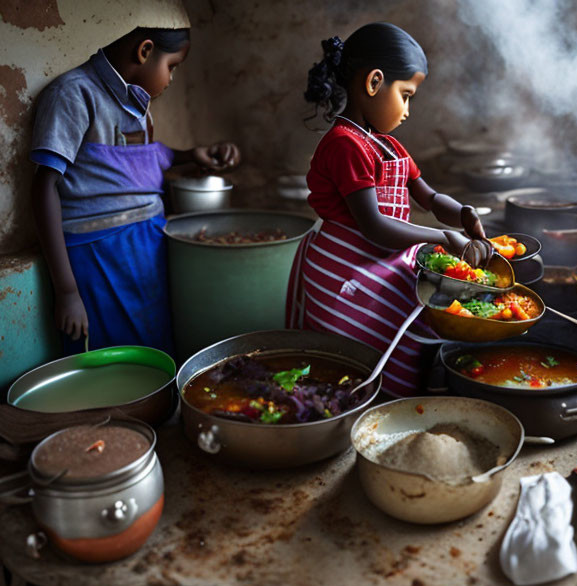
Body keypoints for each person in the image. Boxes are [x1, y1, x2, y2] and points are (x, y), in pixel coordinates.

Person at [288, 22, 486, 396]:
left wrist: (462, 213)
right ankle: (373, 397)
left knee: (421, 309)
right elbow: (375, 227)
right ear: (374, 83)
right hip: (346, 265)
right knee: (381, 335)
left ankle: (402, 388)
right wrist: (444, 236)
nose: (408, 111)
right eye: (406, 95)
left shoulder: (388, 147)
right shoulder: (344, 146)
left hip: (381, 254)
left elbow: (427, 197)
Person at [31, 26, 240, 357]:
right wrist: (67, 291)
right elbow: (44, 187)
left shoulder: (137, 101)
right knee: (108, 359)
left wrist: (190, 155)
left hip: (147, 246)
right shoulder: (73, 94)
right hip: (98, 254)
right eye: (171, 66)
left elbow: (135, 160)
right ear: (144, 51)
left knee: (152, 352)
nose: (171, 79)